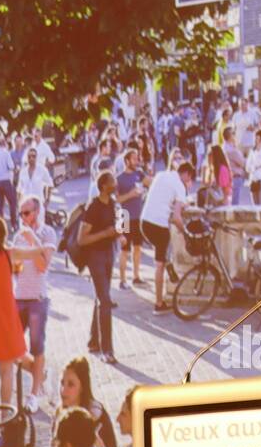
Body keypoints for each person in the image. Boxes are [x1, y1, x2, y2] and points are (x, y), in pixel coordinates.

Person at [9, 196, 57, 411]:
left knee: (37, 346)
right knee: (12, 348)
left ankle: (34, 394)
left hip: (37, 297)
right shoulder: (19, 235)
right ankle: (41, 374)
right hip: (19, 297)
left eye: (26, 213)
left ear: (37, 212)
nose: (23, 217)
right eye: (20, 213)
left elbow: (42, 265)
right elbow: (14, 267)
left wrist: (32, 241)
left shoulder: (47, 233)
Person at [0, 215, 31, 411]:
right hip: (6, 317)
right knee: (6, 369)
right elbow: (37, 254)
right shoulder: (8, 254)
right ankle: (6, 414)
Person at [140, 160, 195, 314]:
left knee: (160, 252)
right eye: (189, 179)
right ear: (187, 175)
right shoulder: (179, 185)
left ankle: (168, 260)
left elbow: (162, 197)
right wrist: (186, 233)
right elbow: (177, 218)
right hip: (159, 225)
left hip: (144, 222)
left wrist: (180, 202)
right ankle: (158, 304)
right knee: (159, 265)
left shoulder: (161, 175)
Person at [81, 171, 121, 364]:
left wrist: (120, 233)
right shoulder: (93, 207)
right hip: (95, 256)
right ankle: (107, 350)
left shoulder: (113, 204)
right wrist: (105, 233)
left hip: (108, 254)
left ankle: (93, 341)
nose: (116, 183)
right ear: (104, 186)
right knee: (105, 301)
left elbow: (119, 224)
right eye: (112, 181)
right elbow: (82, 239)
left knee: (101, 297)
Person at [57, 355, 117, 447]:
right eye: (62, 383)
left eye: (70, 384)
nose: (63, 391)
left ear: (82, 387)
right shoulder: (60, 412)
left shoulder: (95, 416)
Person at [115, 147, 148, 289]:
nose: (137, 161)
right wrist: (131, 194)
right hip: (125, 216)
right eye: (134, 158)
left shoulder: (139, 174)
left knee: (138, 248)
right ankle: (122, 280)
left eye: (137, 158)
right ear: (127, 161)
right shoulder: (119, 179)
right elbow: (117, 200)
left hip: (138, 216)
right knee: (125, 250)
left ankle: (136, 276)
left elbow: (150, 182)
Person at [0, 136, 19, 231]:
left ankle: (0, 227)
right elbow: (10, 166)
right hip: (6, 181)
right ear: (4, 144)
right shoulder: (6, 153)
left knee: (0, 205)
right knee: (12, 202)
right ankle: (14, 223)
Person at [246, 130, 261, 206]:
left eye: (257, 137)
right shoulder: (252, 150)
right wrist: (252, 167)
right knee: (254, 204)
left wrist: (254, 166)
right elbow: (247, 165)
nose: (255, 139)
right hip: (253, 179)